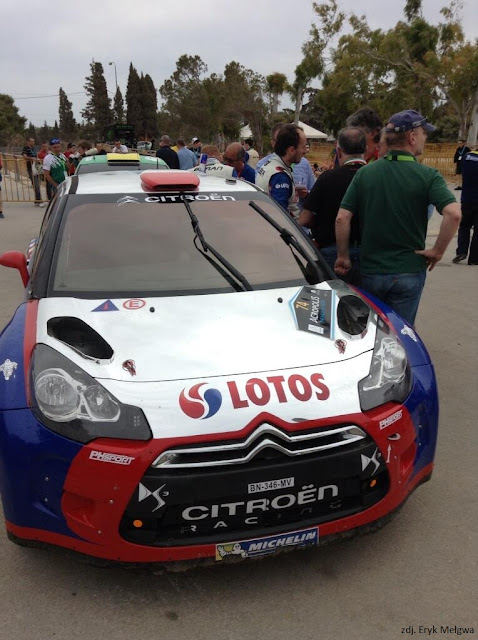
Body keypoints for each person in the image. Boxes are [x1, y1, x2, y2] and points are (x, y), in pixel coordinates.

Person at [334, 109, 461, 326]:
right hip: (409, 270)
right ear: (412, 136)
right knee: (401, 333)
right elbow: (454, 214)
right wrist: (437, 251)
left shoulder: (365, 173)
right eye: (423, 133)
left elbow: (342, 218)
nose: (425, 137)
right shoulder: (429, 176)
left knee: (372, 330)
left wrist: (343, 256)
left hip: (372, 270)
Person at [298, 127, 367, 284]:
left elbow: (305, 218)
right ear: (366, 149)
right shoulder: (374, 177)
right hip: (369, 254)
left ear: (339, 151)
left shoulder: (328, 178)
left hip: (332, 253)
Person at [256, 124, 307, 217]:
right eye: (303, 147)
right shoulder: (280, 176)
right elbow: (281, 217)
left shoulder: (268, 164)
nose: (305, 151)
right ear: (292, 150)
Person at [452, 148, 478, 265]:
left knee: (464, 226)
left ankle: (461, 251)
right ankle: (474, 258)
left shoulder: (467, 157)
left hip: (467, 199)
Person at [292, 142, 316, 210]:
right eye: (302, 147)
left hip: (299, 213)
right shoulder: (266, 163)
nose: (305, 151)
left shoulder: (304, 163)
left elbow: (314, 193)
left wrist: (306, 194)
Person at [22, 137, 44, 207]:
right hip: (31, 169)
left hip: (36, 168)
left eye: (33, 141)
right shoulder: (25, 148)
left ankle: (37, 200)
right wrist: (32, 158)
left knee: (37, 185)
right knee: (36, 184)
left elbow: (35, 156)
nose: (33, 142)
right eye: (31, 141)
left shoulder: (33, 149)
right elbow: (24, 156)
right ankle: (40, 200)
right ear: (28, 142)